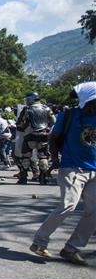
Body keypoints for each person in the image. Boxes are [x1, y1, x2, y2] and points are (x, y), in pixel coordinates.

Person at [30, 82, 96, 266]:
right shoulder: (68, 115)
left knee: (95, 211)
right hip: (72, 167)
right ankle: (39, 241)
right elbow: (54, 139)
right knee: (68, 205)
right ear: (85, 101)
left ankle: (71, 248)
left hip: (94, 169)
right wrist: (55, 159)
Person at [15, 92, 55, 185]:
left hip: (30, 135)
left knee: (26, 157)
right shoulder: (47, 108)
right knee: (43, 156)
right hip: (44, 135)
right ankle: (43, 177)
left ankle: (24, 178)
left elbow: (20, 123)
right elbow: (53, 120)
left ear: (31, 99)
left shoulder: (27, 109)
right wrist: (47, 127)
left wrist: (23, 127)